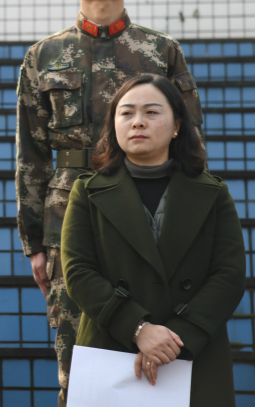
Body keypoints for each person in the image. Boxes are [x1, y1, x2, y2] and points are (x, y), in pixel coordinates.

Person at [14, 0, 204, 405]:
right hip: (69, 215)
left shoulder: (161, 51)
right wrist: (34, 244)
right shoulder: (42, 56)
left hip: (150, 210)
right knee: (77, 358)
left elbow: (191, 144)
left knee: (156, 355)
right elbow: (31, 155)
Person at [61, 74, 244, 405]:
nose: (137, 122)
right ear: (114, 125)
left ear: (177, 126)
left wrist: (175, 340)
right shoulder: (86, 192)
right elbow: (78, 272)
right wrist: (138, 328)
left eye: (151, 112)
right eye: (126, 113)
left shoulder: (213, 193)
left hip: (191, 352)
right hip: (112, 348)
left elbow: (229, 275)